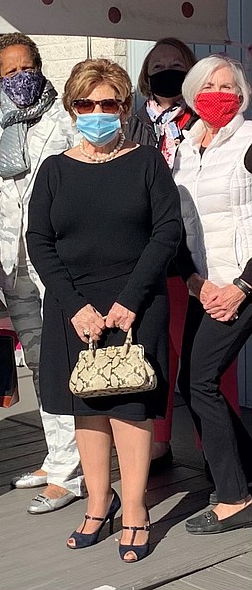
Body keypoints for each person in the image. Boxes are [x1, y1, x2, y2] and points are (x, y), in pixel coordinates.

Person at [27, 58, 182, 562]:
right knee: (87, 408)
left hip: (136, 303)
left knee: (130, 408)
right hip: (75, 308)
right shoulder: (53, 170)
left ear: (123, 107)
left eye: (108, 103)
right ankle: (98, 503)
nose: (97, 112)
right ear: (73, 109)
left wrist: (128, 302)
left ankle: (135, 509)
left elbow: (166, 233)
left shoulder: (147, 163)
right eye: (86, 104)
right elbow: (39, 241)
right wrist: (75, 308)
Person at [0, 33, 85, 514]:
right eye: (8, 72)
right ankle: (56, 454)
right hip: (14, 263)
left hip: (57, 262)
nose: (18, 79)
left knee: (65, 362)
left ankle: (73, 470)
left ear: (39, 69)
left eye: (25, 69)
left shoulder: (66, 122)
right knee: (40, 364)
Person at [128, 38, 239, 471]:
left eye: (177, 63)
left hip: (200, 257)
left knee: (207, 360)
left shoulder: (208, 121)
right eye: (159, 65)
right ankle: (159, 441)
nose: (167, 70)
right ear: (146, 75)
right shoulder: (132, 122)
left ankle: (216, 447)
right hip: (150, 254)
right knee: (156, 353)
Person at [172, 54, 252, 534]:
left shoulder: (249, 139)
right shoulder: (185, 147)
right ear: (193, 93)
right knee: (191, 383)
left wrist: (243, 286)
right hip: (207, 286)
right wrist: (194, 281)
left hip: (243, 283)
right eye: (210, 85)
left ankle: (234, 497)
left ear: (242, 95)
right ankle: (242, 470)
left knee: (200, 382)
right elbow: (178, 224)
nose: (220, 93)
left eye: (230, 86)